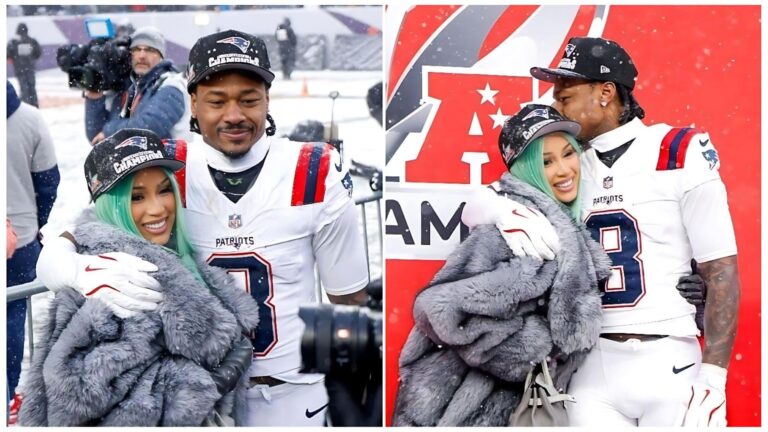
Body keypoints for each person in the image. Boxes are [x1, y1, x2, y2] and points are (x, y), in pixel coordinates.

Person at [37, 30, 370, 427]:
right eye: (216, 101)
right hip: (198, 396)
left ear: (267, 98)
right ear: (192, 103)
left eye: (249, 99)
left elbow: (347, 298)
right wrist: (62, 262)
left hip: (292, 392)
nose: (234, 115)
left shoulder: (313, 170)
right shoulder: (166, 169)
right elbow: (94, 225)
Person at [466, 37, 740, 427]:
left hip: (669, 361)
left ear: (605, 93)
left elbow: (722, 269)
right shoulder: (568, 162)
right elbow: (483, 200)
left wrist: (714, 380)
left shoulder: (676, 149)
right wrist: (496, 206)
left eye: (565, 95)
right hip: (590, 369)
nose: (554, 105)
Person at [19, 128, 259, 426]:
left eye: (164, 190)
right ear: (112, 204)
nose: (157, 208)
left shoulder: (170, 253)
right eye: (136, 197)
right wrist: (202, 383)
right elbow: (76, 394)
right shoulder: (118, 281)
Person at [393, 104, 611, 426]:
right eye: (547, 162)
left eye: (568, 153)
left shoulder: (558, 222)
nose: (564, 170)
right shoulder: (521, 232)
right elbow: (439, 308)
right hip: (471, 407)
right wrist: (533, 348)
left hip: (511, 405)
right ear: (527, 169)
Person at [6, 80, 60, 401]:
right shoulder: (30, 119)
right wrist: (35, 219)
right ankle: (8, 390)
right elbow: (47, 182)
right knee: (13, 319)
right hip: (20, 239)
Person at [84, 26, 191, 144]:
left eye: (150, 50)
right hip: (135, 161)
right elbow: (97, 135)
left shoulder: (171, 85)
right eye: (136, 49)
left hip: (173, 161)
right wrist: (94, 95)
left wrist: (109, 132)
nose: (142, 56)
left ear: (161, 56)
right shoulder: (131, 89)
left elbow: (149, 126)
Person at [7, 23, 42, 107]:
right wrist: (31, 59)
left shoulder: (13, 42)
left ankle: (25, 107)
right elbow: (38, 53)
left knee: (23, 89)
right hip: (30, 69)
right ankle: (34, 106)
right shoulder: (32, 41)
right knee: (32, 88)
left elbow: (8, 54)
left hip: (19, 70)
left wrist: (15, 59)